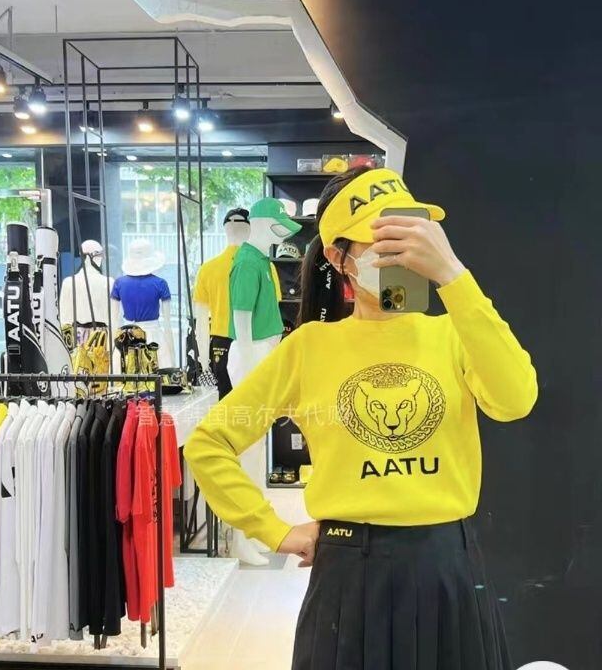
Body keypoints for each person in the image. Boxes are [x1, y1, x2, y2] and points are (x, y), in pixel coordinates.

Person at [184, 166, 538, 669]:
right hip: (349, 571)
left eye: (409, 237)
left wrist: (455, 277)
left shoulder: (452, 333)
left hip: (447, 567)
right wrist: (273, 530)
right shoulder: (310, 347)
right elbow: (209, 442)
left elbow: (515, 399)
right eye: (382, 242)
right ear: (338, 257)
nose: (399, 256)